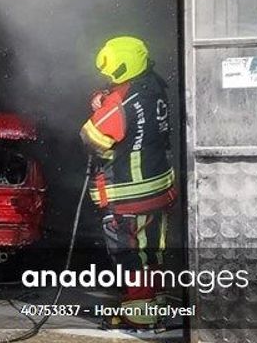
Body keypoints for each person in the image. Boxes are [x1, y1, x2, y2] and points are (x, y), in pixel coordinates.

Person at [79, 36, 176, 330]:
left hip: (129, 195)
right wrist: (104, 96)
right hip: (158, 189)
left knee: (130, 254)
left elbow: (91, 137)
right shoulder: (154, 87)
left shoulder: (122, 100)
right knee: (151, 251)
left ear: (121, 65)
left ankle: (139, 315)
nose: (107, 76)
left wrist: (102, 105)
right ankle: (155, 305)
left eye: (109, 70)